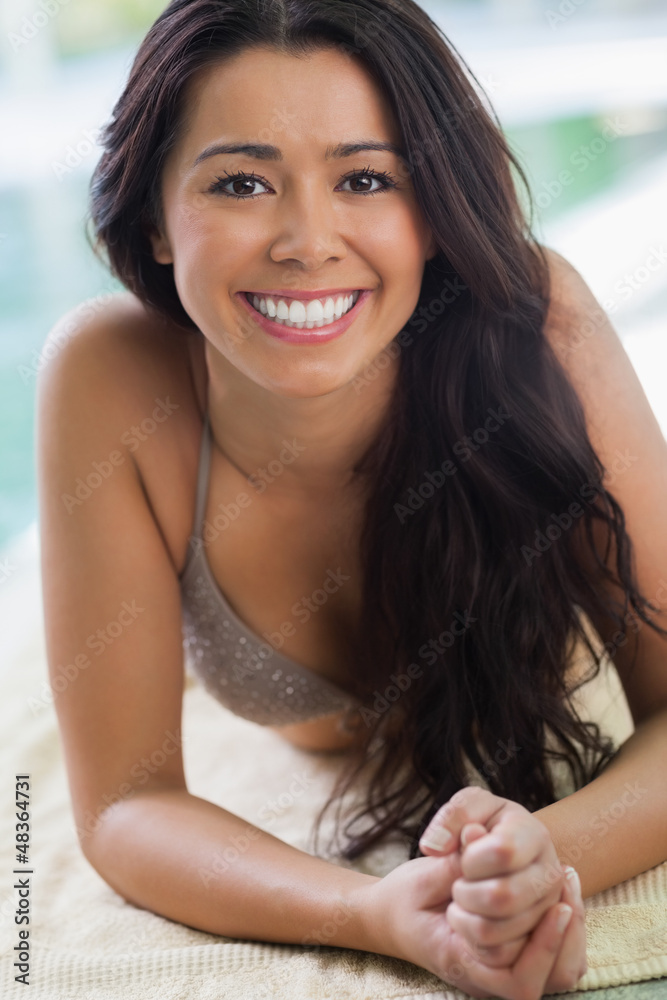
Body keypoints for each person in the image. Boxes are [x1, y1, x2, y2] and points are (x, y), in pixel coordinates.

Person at [36, 2, 667, 998]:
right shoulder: (106, 376)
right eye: (241, 182)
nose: (306, 239)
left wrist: (529, 861)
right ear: (155, 217)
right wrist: (374, 910)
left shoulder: (537, 326)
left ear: (433, 208)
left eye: (365, 178)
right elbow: (122, 803)